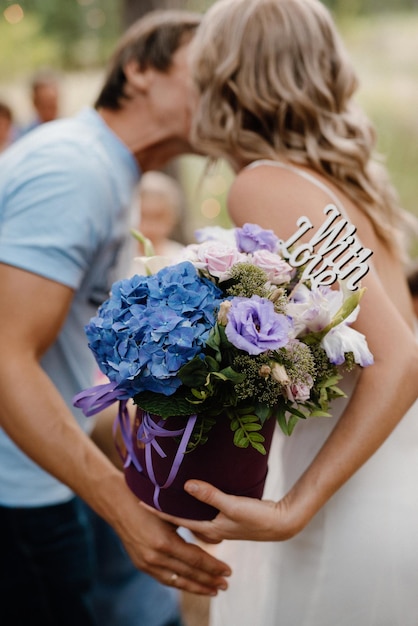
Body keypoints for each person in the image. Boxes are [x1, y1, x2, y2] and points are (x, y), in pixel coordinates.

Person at [146, 2, 418, 625]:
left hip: (342, 513)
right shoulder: (348, 186)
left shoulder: (266, 183)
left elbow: (400, 358)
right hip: (387, 488)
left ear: (223, 74)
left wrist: (296, 507)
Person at [0, 9, 231, 626]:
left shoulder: (108, 171)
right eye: (208, 63)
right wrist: (125, 513)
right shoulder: (73, 169)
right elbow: (6, 360)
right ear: (138, 70)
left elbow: (67, 361)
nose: (228, 81)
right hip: (18, 497)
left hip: (43, 478)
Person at [133, 170, 186, 258]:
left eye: (158, 217)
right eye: (143, 216)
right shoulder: (121, 258)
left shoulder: (181, 257)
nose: (150, 227)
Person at [20, 69, 60, 135]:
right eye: (44, 105)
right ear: (34, 103)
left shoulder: (66, 130)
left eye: (52, 105)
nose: (49, 111)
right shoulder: (25, 135)